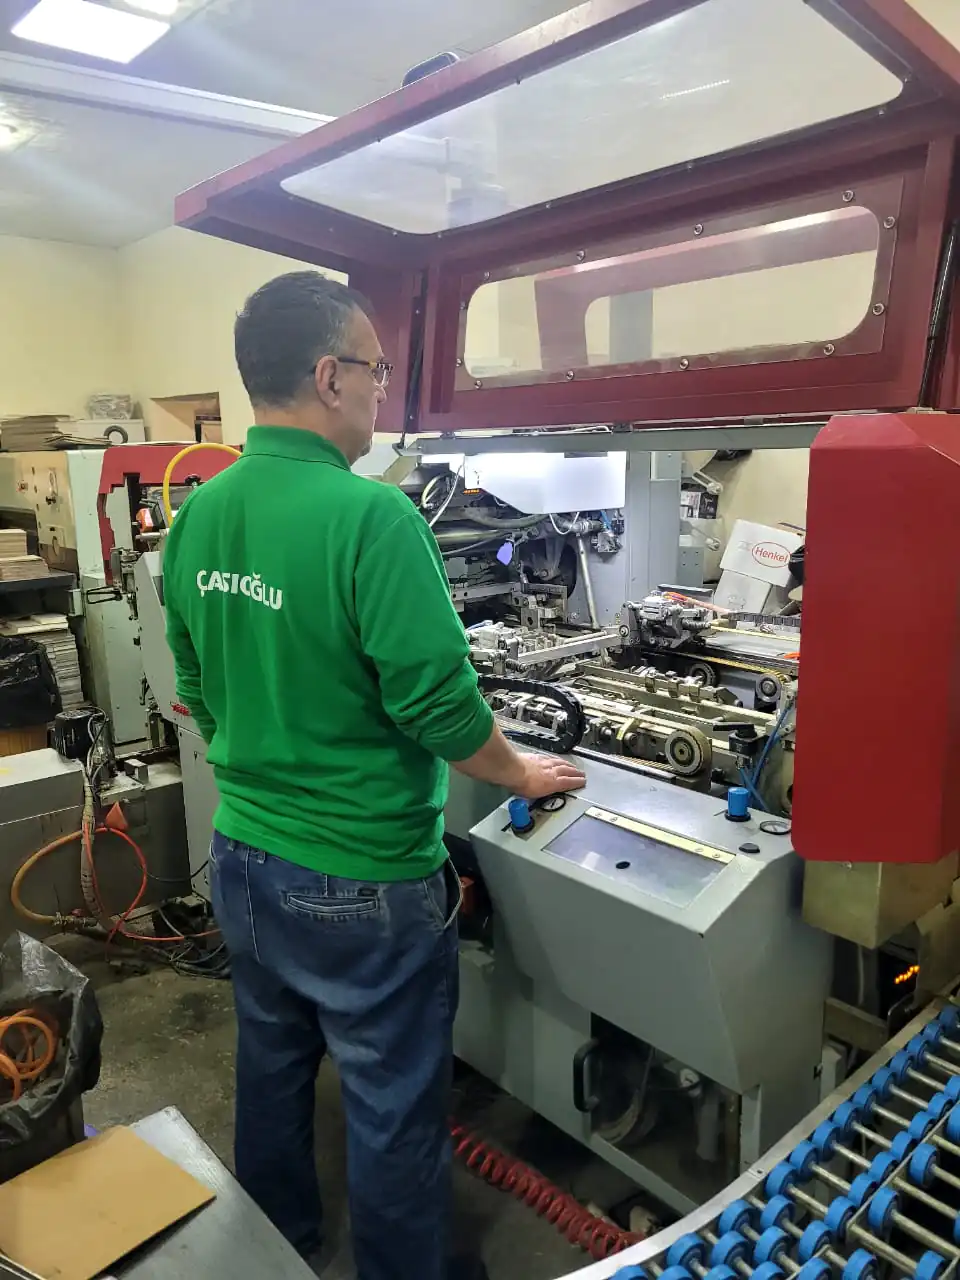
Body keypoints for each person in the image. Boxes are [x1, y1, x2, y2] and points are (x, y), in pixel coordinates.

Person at [162, 271, 586, 1280]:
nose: (381, 391)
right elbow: (440, 709)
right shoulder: (374, 518)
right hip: (363, 875)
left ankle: (278, 1242)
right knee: (392, 1100)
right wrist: (517, 772)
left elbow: (196, 686)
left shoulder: (199, 514)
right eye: (378, 370)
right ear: (329, 376)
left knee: (271, 1062)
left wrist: (265, 758)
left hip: (244, 854)